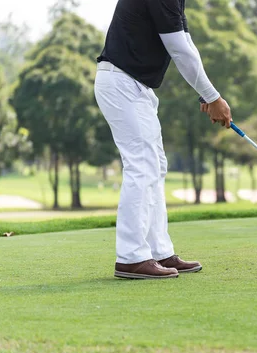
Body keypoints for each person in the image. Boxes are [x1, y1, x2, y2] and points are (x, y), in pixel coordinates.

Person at [94, 0, 232, 279]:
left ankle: (159, 251)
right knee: (142, 167)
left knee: (155, 166)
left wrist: (206, 93)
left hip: (136, 87)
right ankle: (131, 257)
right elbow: (178, 50)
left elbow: (186, 44)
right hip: (121, 83)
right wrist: (214, 97)